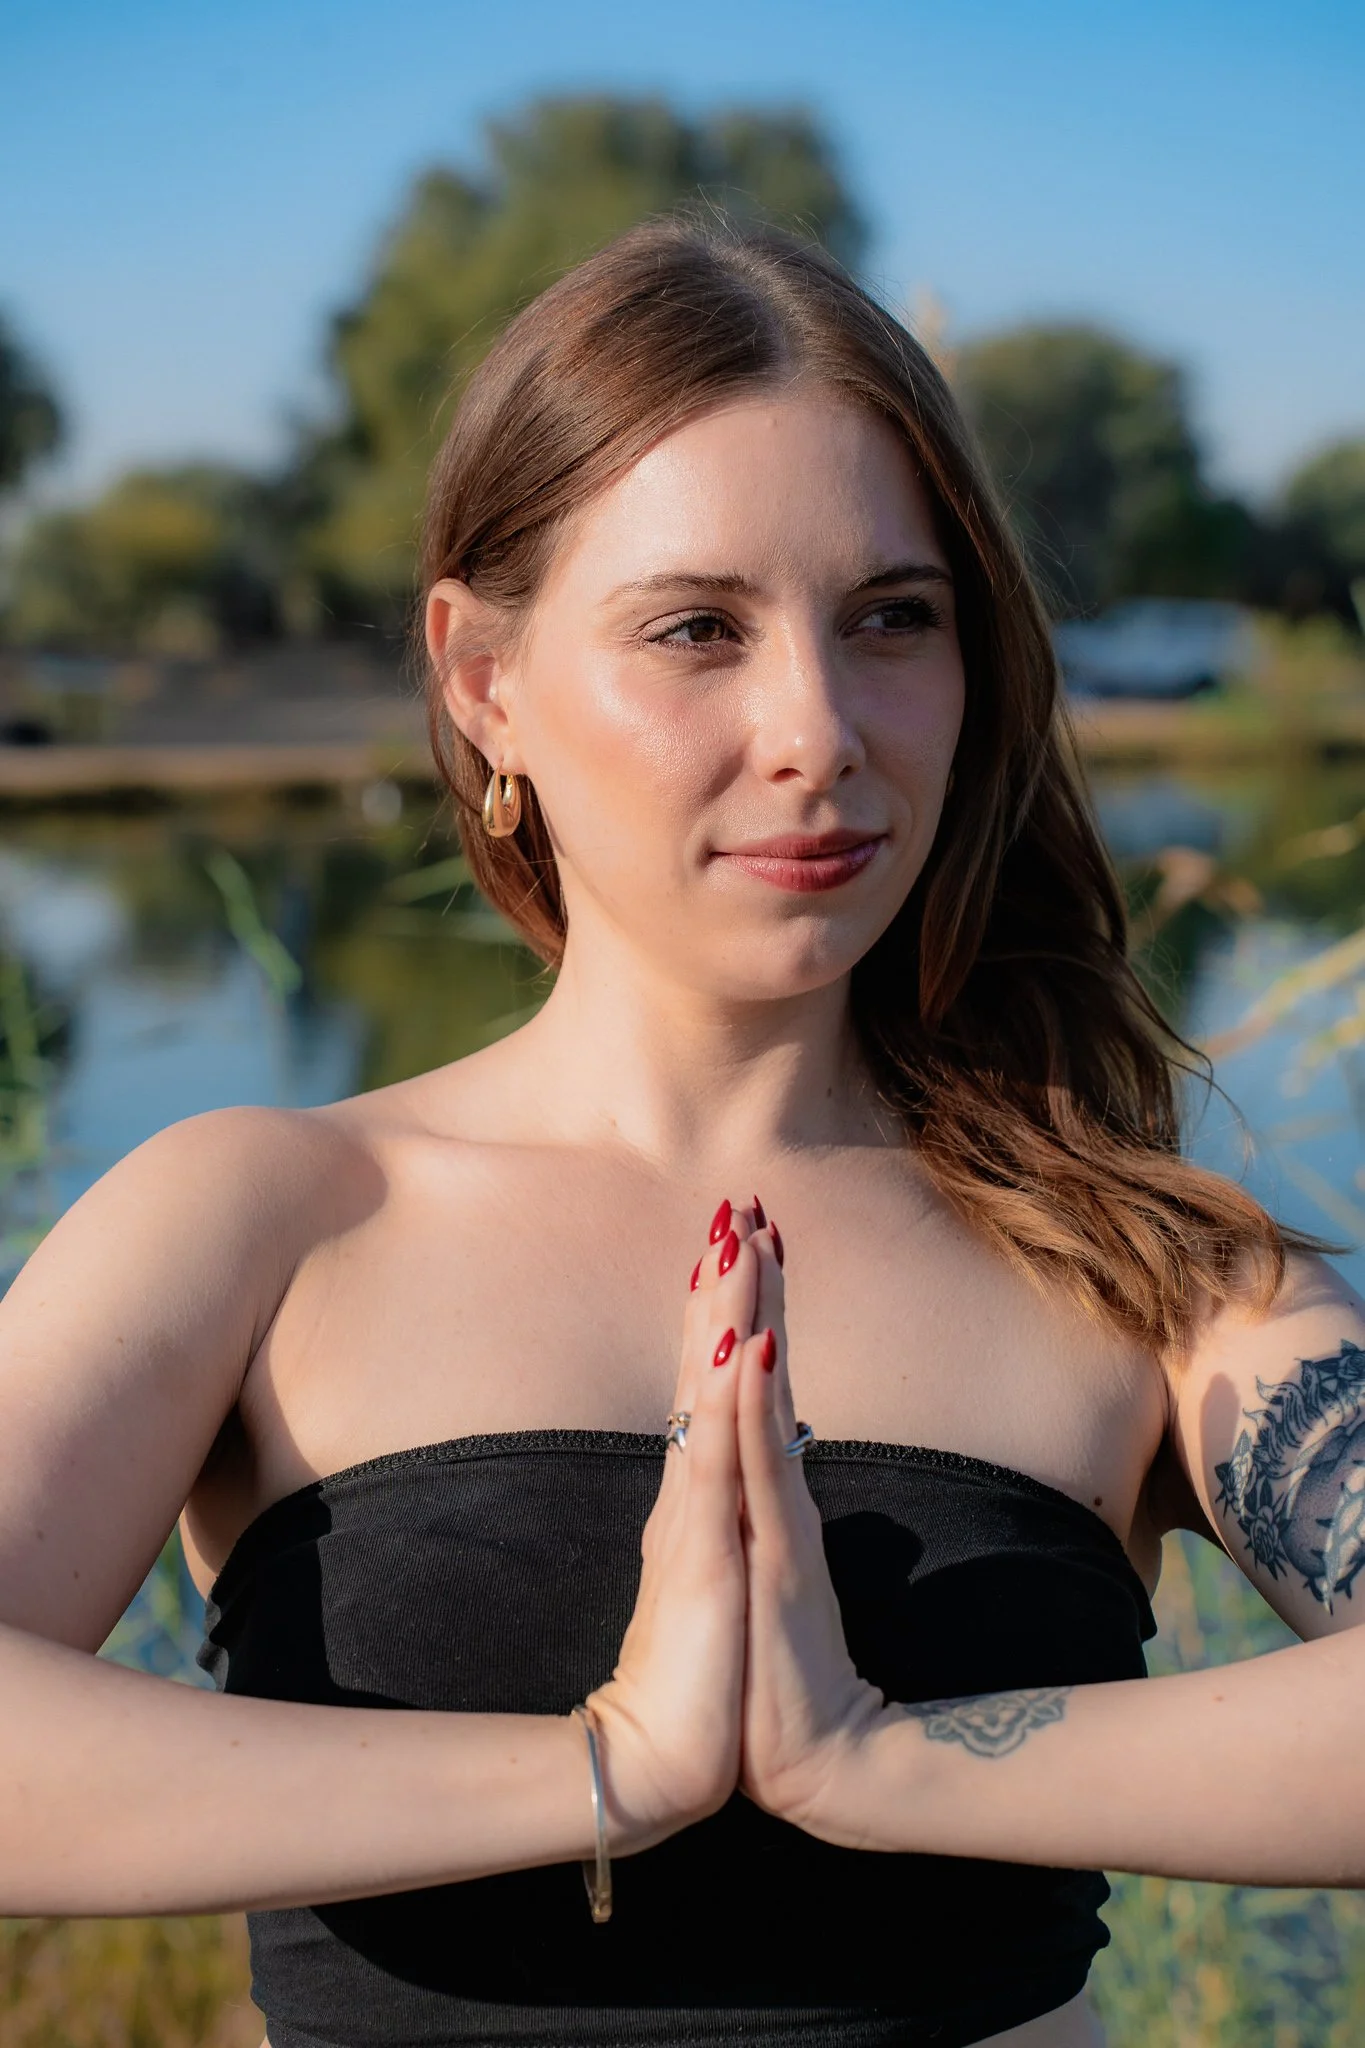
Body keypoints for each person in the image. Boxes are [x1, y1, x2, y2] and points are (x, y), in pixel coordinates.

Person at [0, 218, 1361, 2048]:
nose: (817, 726)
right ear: (486, 682)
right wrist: (606, 1770)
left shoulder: (1153, 1272)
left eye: (894, 618)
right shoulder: (263, 1216)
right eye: (696, 628)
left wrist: (888, 1764)